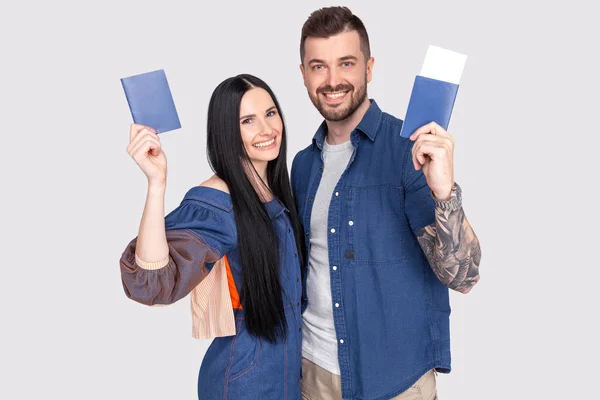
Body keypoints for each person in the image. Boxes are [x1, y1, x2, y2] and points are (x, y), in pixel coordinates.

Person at [291, 7, 482, 400]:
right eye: (318, 66)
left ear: (369, 68)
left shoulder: (408, 151)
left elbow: (464, 276)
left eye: (346, 63)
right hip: (313, 375)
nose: (332, 80)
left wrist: (445, 193)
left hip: (394, 381)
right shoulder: (302, 164)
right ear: (304, 74)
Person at [119, 74, 306, 399]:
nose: (266, 129)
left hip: (285, 379)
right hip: (244, 382)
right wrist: (157, 183)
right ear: (227, 133)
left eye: (270, 113)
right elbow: (151, 282)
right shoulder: (217, 202)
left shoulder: (275, 192)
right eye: (248, 120)